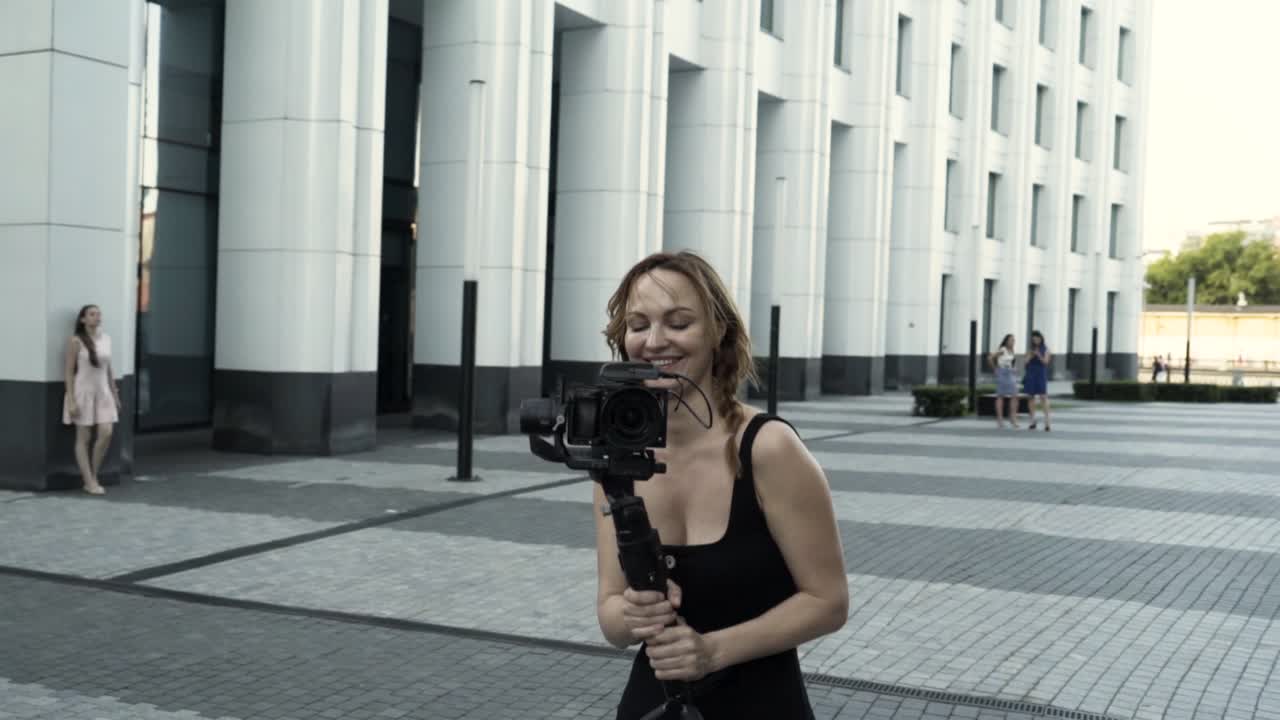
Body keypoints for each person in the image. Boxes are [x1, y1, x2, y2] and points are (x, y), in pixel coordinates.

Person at [594, 251, 848, 720]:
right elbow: (610, 613)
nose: (654, 341)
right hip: (653, 706)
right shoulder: (619, 458)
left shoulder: (768, 448)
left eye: (678, 322)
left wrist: (712, 651)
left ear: (718, 333)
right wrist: (631, 616)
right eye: (638, 324)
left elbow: (828, 602)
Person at [62, 304, 121, 495]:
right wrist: (71, 399)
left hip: (103, 393)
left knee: (106, 433)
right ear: (83, 319)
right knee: (83, 438)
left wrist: (115, 394)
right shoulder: (76, 341)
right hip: (83, 393)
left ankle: (94, 475)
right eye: (92, 314)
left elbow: (109, 369)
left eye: (98, 314)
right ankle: (89, 481)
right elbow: (69, 372)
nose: (97, 317)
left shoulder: (106, 339)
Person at [988, 334, 1019, 429]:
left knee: (1014, 395)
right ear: (1006, 341)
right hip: (1002, 372)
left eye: (1013, 340)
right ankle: (1000, 419)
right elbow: (990, 358)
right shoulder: (1003, 349)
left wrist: (1014, 369)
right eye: (1010, 340)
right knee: (1000, 396)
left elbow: (1011, 362)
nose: (1012, 342)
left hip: (1010, 373)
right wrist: (995, 369)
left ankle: (1013, 417)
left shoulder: (1012, 351)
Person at [1023, 330, 1051, 431]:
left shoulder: (1046, 349)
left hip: (1040, 374)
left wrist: (1038, 355)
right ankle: (1032, 421)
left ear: (1041, 338)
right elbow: (1025, 363)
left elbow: (1046, 362)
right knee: (1030, 397)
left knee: (1043, 396)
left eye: (1037, 338)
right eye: (1034, 338)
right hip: (1031, 373)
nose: (1036, 340)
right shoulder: (1030, 349)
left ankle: (1047, 422)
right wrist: (1030, 356)